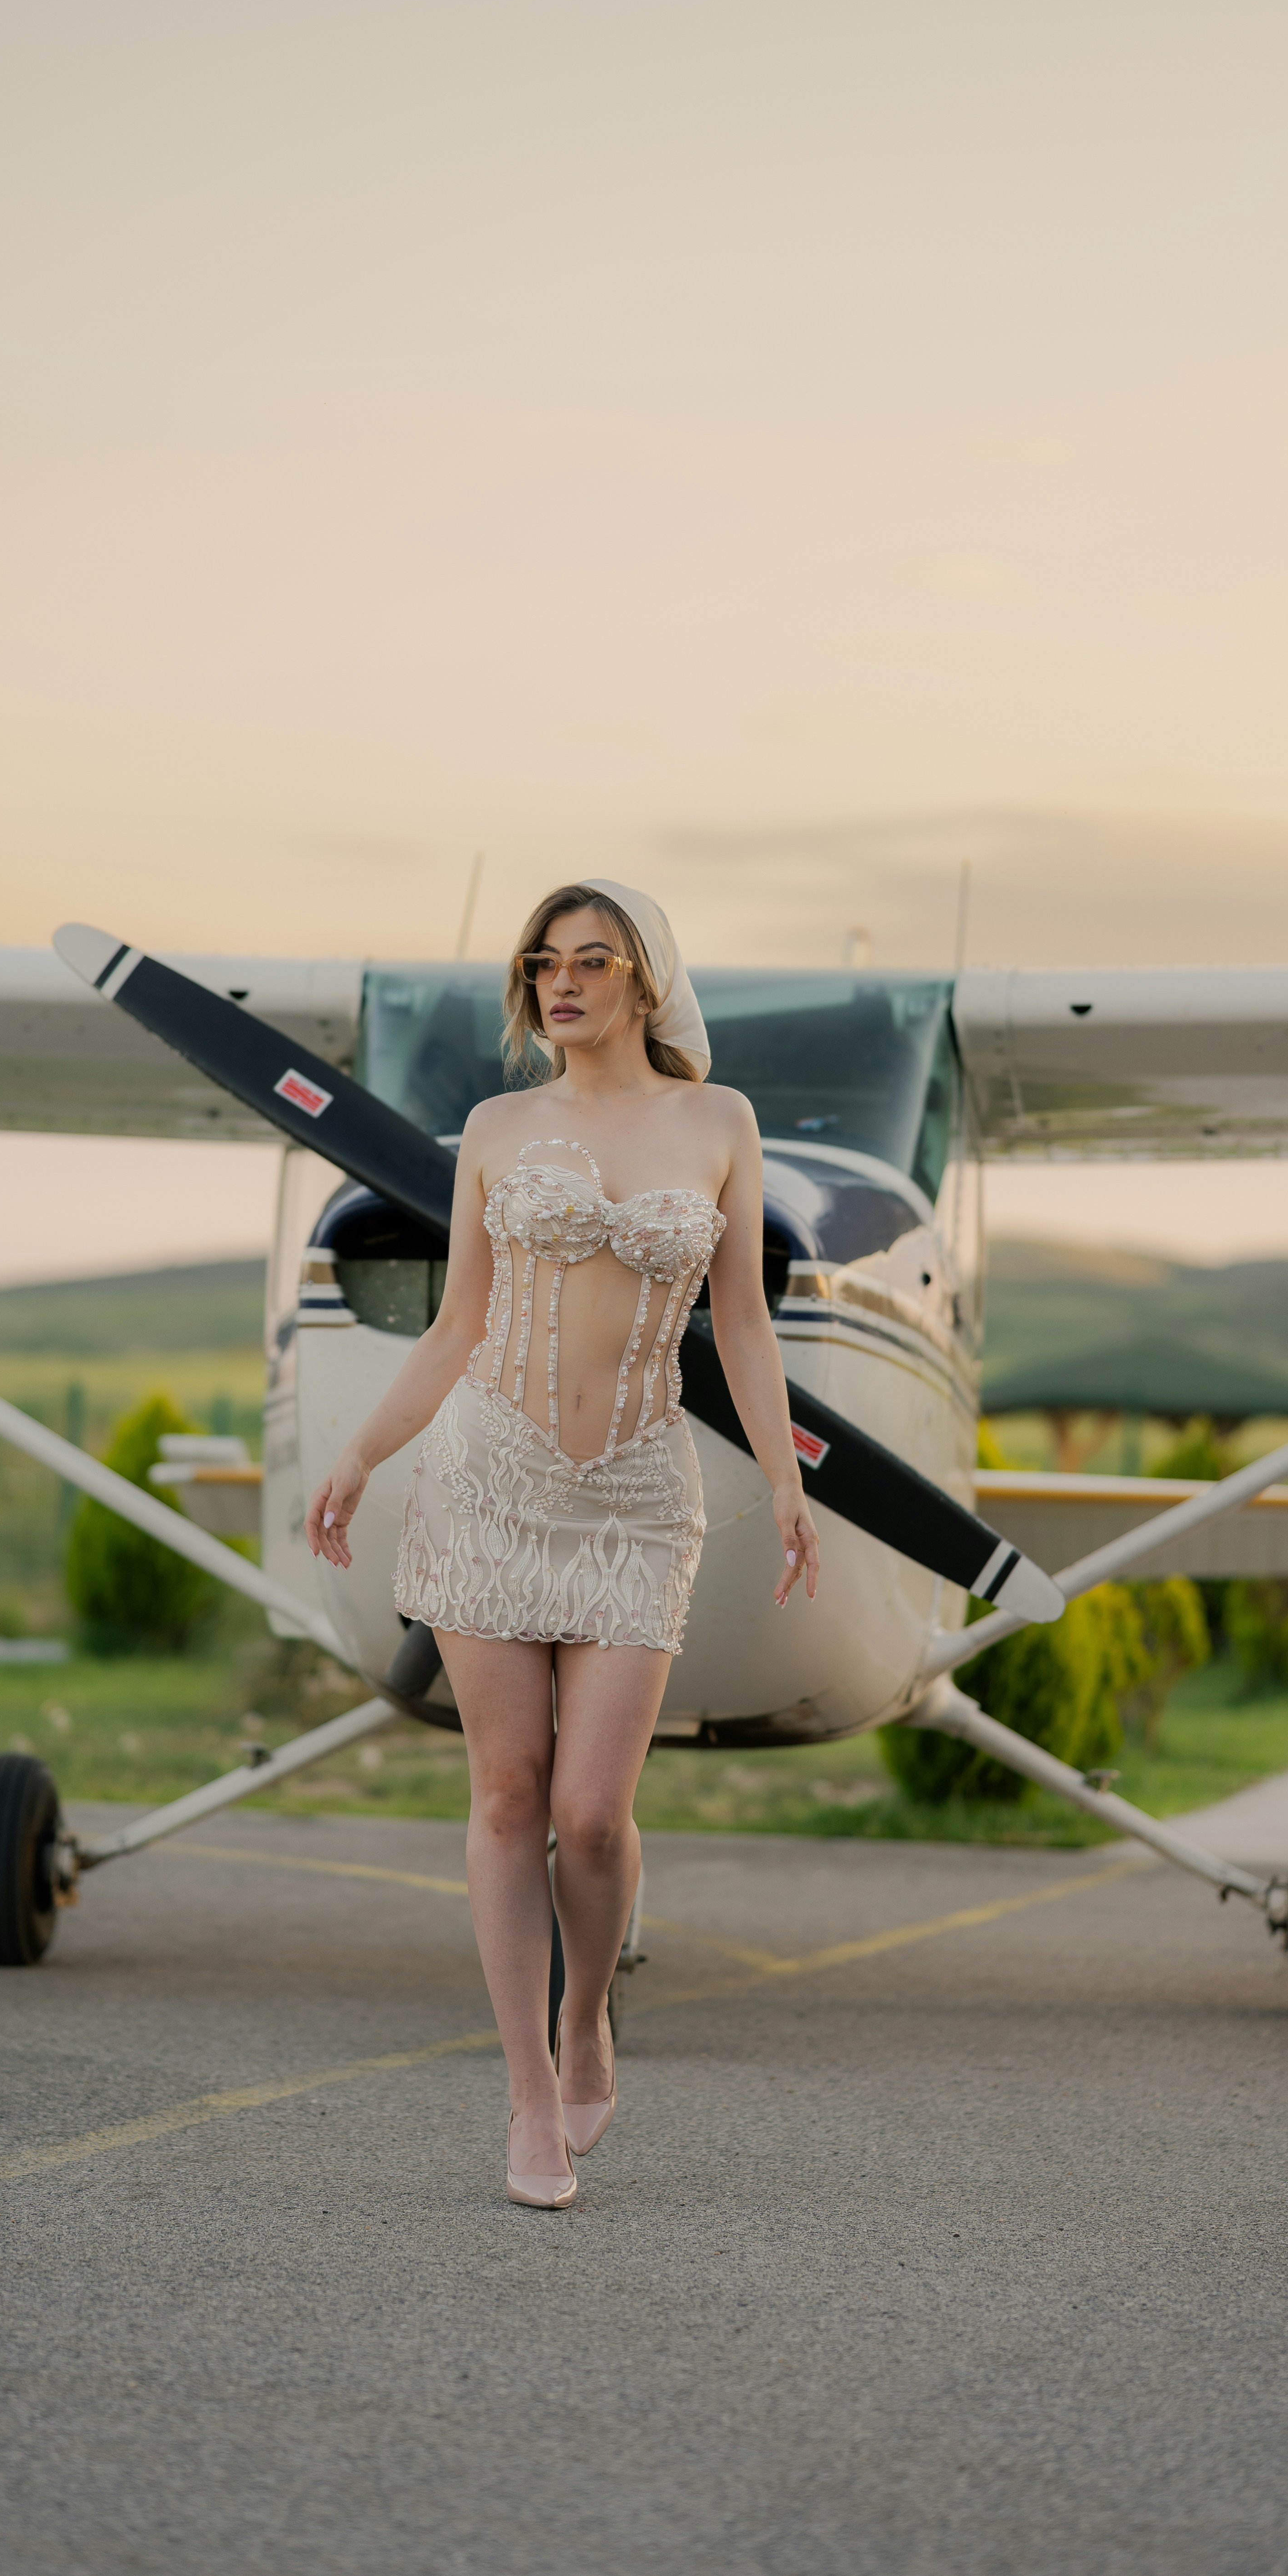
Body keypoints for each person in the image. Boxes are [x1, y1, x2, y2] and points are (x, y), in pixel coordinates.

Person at [305, 881, 819, 2206]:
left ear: (647, 980)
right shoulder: (496, 1128)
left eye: (592, 962)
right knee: (507, 1796)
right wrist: (361, 1457)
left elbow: (744, 1324)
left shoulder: (719, 1122)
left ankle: (586, 2016)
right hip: (487, 1484)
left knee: (591, 1818)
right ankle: (530, 2092)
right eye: (545, 964)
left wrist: (786, 1482)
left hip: (637, 1499)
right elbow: (458, 1325)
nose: (564, 983)